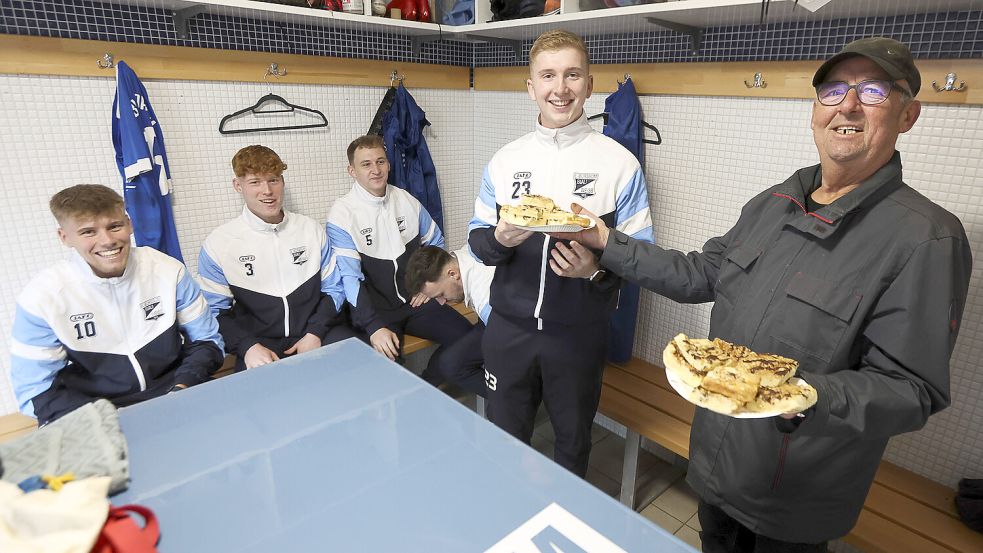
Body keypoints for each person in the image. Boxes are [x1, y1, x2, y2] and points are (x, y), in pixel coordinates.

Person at [551, 37, 972, 550]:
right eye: (834, 90)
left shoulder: (926, 238)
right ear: (816, 110)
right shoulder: (773, 203)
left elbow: (911, 390)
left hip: (793, 501)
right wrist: (604, 241)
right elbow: (698, 274)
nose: (850, 105)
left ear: (909, 115)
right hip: (714, 466)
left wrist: (803, 395)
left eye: (875, 91)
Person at [467, 29, 655, 477]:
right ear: (530, 87)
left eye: (572, 75)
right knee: (503, 440)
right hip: (508, 330)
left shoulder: (619, 165)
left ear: (590, 85)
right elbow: (476, 240)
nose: (561, 88)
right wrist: (500, 241)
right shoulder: (504, 160)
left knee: (572, 445)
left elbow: (641, 256)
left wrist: (594, 270)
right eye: (548, 76)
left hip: (578, 336)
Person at [10, 184, 224, 424]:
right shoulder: (42, 298)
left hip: (176, 391)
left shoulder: (168, 270)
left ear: (129, 224)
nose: (107, 240)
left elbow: (208, 342)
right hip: (96, 414)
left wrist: (182, 387)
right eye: (88, 232)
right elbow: (35, 393)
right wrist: (108, 419)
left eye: (115, 226)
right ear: (64, 237)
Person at [198, 145, 354, 373]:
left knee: (358, 373)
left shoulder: (310, 229)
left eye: (273, 180)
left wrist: (315, 333)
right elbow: (213, 311)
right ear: (237, 185)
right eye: (255, 182)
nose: (267, 190)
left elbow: (335, 289)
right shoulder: (219, 244)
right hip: (260, 346)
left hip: (317, 332)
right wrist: (247, 346)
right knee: (259, 404)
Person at [328, 135, 472, 367]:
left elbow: (435, 240)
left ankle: (431, 386)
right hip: (378, 313)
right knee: (386, 367)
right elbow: (349, 280)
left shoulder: (406, 200)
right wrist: (373, 326)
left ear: (388, 164)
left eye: (380, 161)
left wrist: (429, 285)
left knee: (468, 338)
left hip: (415, 304)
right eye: (366, 164)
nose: (376, 170)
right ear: (352, 171)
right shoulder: (342, 214)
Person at [404, 245, 494, 397]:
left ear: (453, 274)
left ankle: (514, 400)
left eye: (441, 294)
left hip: (517, 327)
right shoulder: (459, 258)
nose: (441, 301)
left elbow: (510, 340)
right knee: (450, 363)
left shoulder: (483, 293)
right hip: (494, 321)